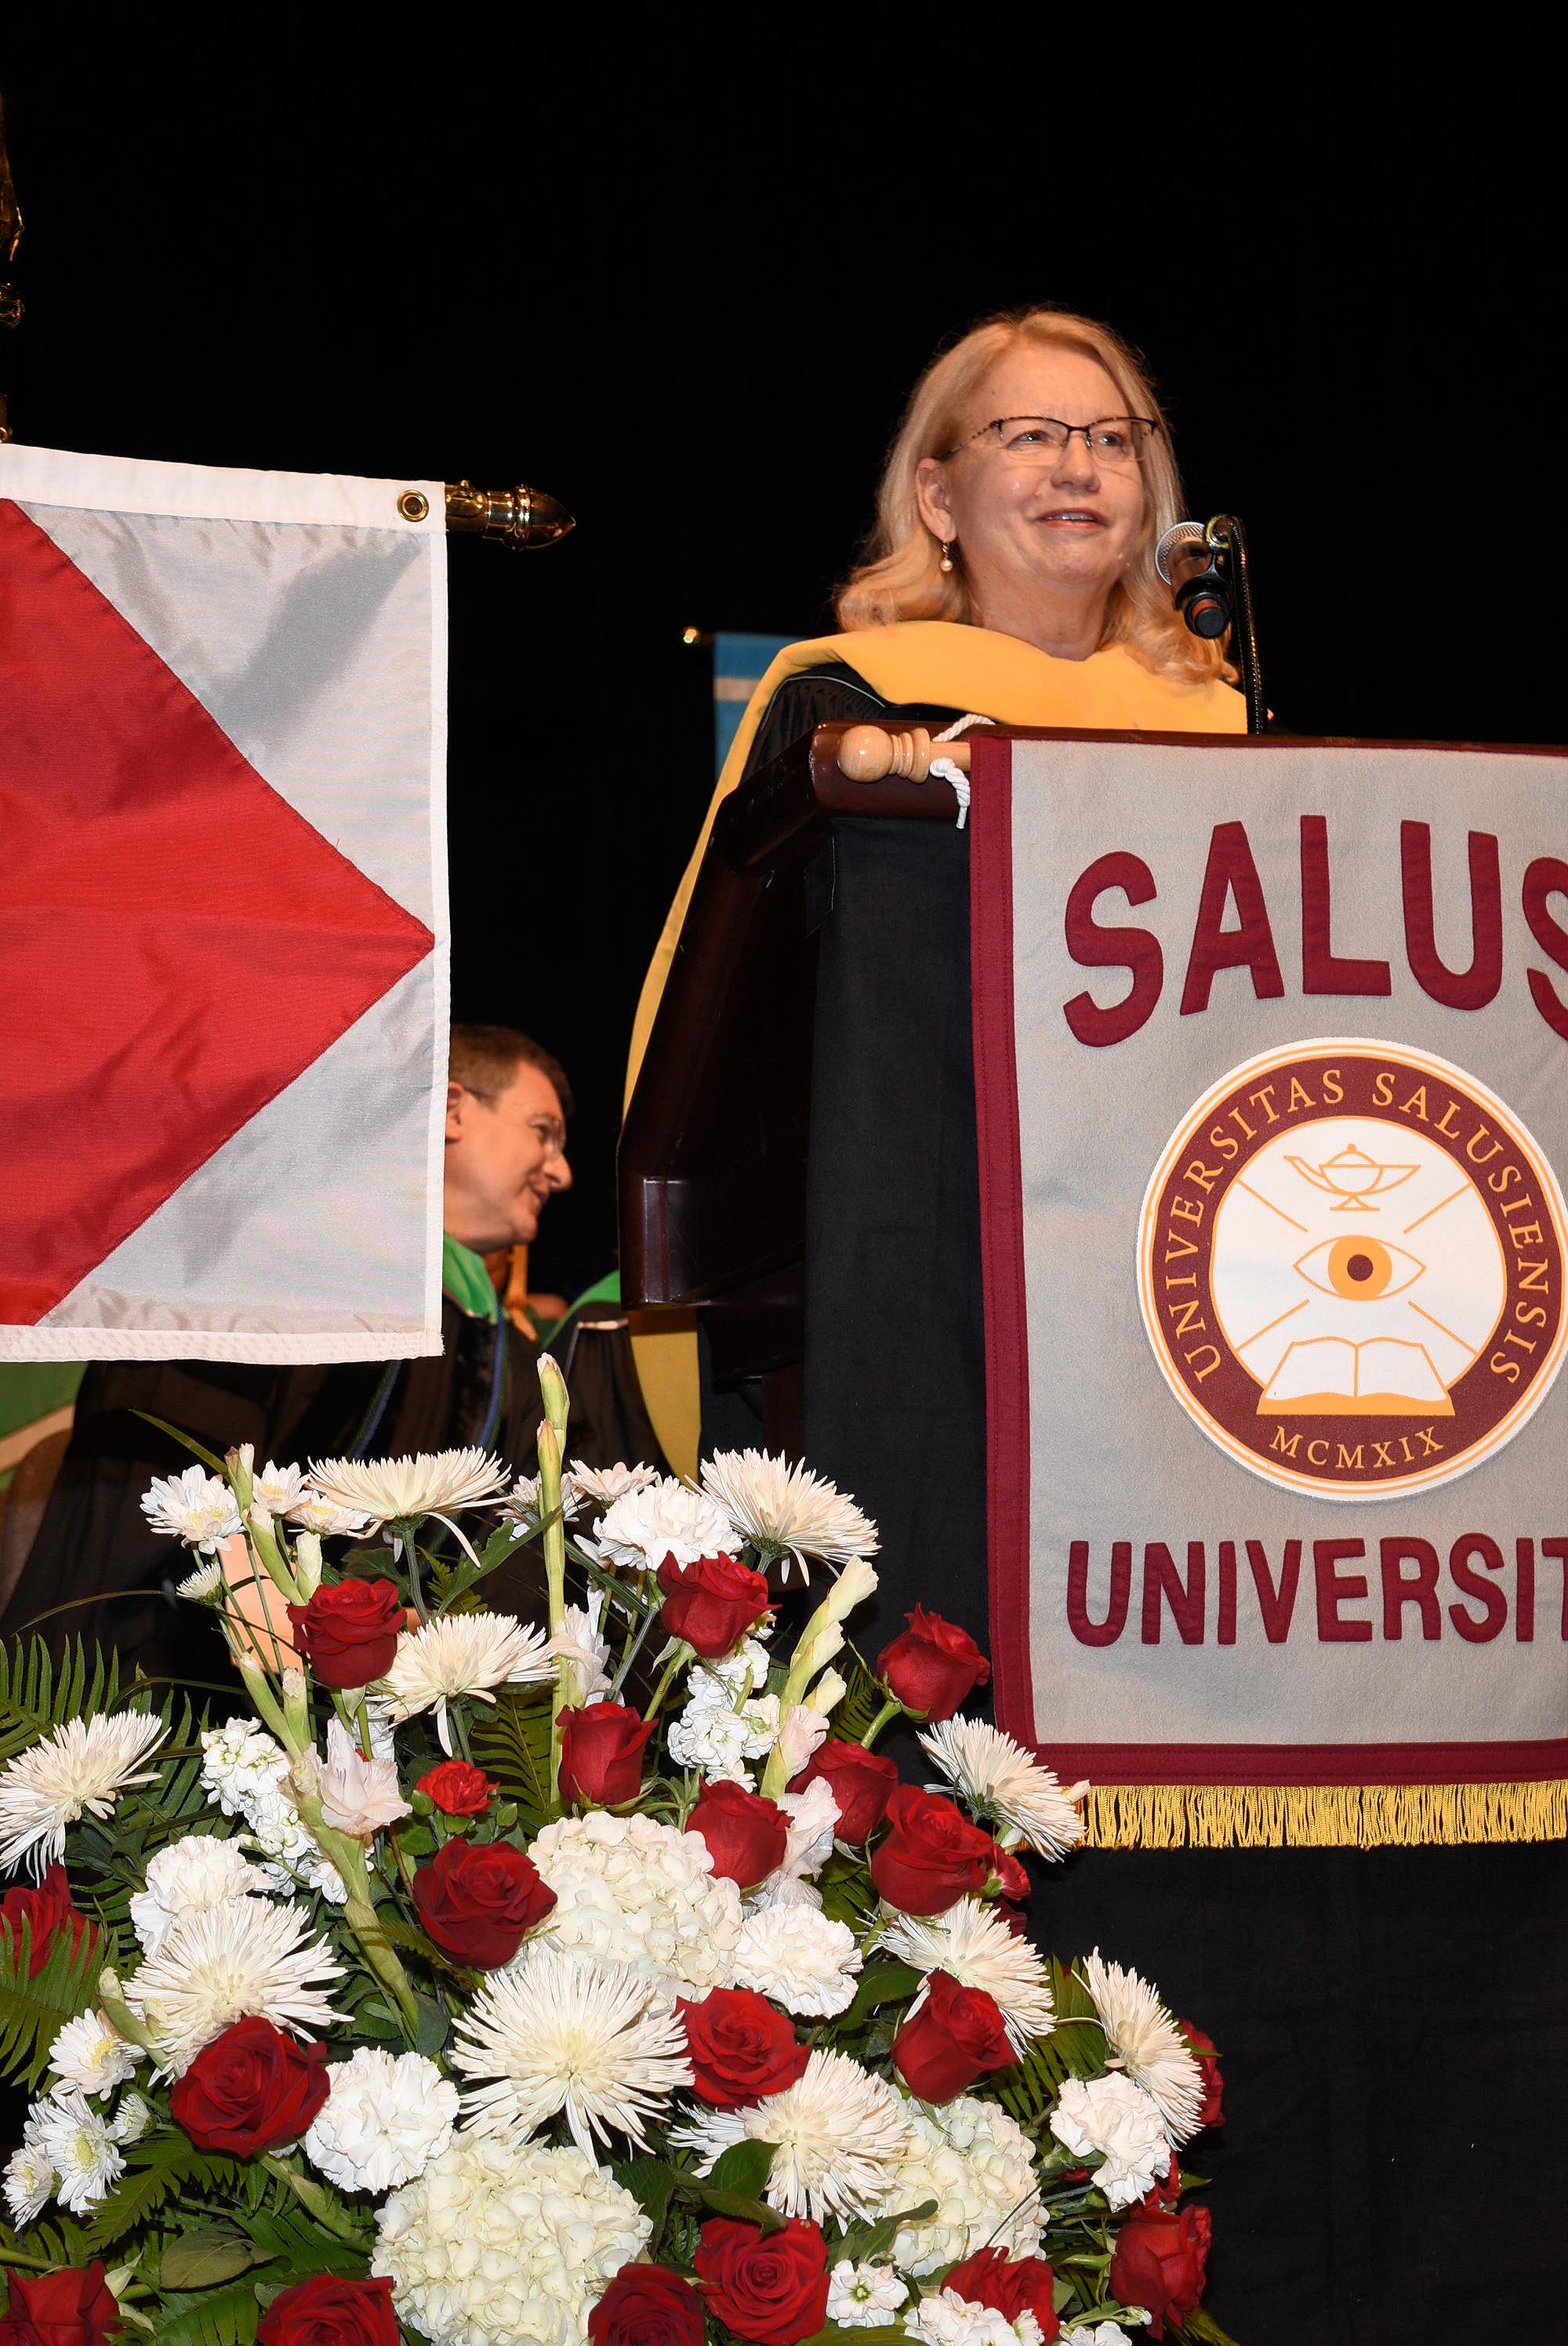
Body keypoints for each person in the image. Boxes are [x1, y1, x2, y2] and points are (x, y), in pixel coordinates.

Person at [626, 303, 1247, 1481]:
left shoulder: (1231, 731)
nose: (1078, 466)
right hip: (922, 1252)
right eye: (1028, 435)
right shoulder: (852, 708)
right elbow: (755, 1013)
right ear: (937, 498)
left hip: (1178, 1251)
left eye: (1115, 440)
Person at [2, 1024, 660, 1681]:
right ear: (453, 1109)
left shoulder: (509, 1356)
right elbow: (167, 1495)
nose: (562, 1171)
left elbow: (512, 1567)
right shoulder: (271, 1267)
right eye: (542, 1131)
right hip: (188, 1697)